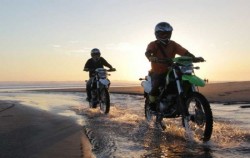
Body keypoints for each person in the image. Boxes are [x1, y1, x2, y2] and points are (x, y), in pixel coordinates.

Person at [145, 22, 204, 111]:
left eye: (167, 33)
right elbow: (148, 52)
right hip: (158, 71)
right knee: (156, 85)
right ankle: (152, 105)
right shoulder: (153, 44)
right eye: (162, 33)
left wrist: (194, 58)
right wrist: (151, 57)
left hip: (172, 70)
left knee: (184, 81)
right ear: (157, 34)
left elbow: (185, 52)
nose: (165, 35)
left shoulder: (173, 44)